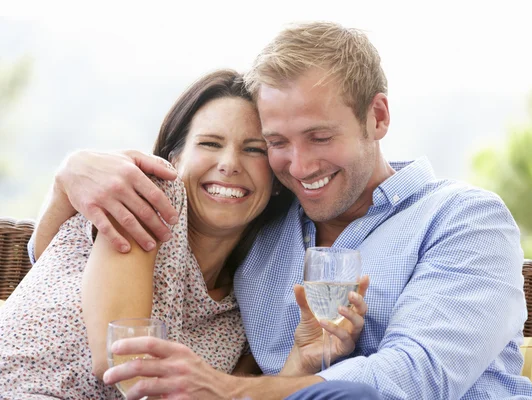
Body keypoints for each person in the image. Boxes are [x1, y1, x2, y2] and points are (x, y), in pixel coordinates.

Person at [27, 22, 532, 399]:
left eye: (320, 136)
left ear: (377, 116)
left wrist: (226, 391)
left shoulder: (464, 219)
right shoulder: (261, 224)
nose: (299, 164)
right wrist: (69, 177)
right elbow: (68, 271)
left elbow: (413, 378)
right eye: (275, 143)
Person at [0, 69, 369, 399]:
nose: (229, 164)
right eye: (210, 144)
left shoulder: (241, 308)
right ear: (174, 159)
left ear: (275, 179)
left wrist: (299, 361)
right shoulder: (149, 198)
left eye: (254, 150)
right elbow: (122, 364)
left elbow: (232, 396)